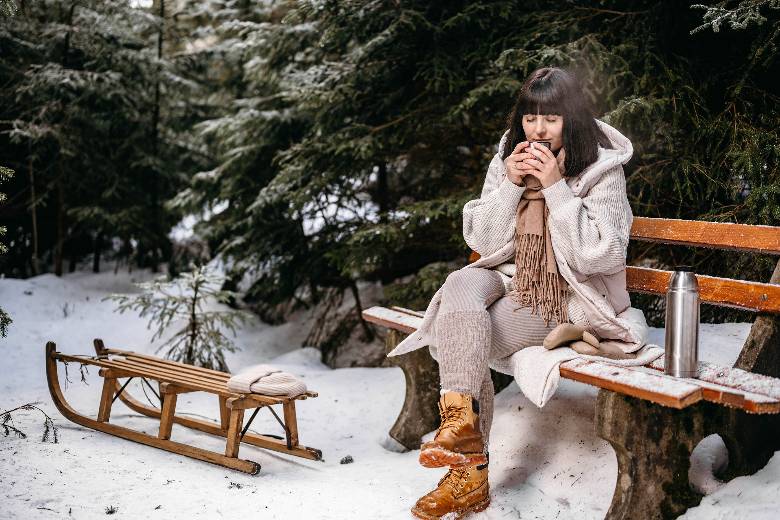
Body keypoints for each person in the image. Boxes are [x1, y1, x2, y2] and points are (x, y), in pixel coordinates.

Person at [386, 66, 651, 520]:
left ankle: (468, 474)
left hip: (567, 294)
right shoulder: (508, 157)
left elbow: (600, 257)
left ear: (572, 118)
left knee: (467, 336)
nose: (539, 130)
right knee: (460, 282)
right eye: (530, 118)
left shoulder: (602, 171)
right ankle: (462, 427)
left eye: (551, 118)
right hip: (509, 275)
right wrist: (509, 185)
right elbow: (483, 244)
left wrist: (555, 190)